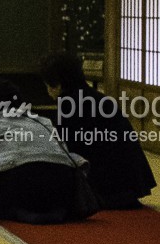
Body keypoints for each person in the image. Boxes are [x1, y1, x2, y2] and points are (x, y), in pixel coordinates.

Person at [41, 51, 155, 209]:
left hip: (107, 190)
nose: (47, 90)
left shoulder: (70, 104)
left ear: (58, 83)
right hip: (130, 185)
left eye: (48, 84)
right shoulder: (98, 98)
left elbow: (68, 150)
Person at [0, 79, 91, 224]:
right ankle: (57, 210)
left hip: (22, 181)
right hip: (62, 181)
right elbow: (62, 150)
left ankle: (23, 213)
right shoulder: (43, 121)